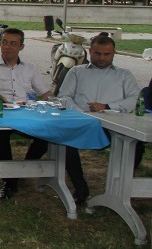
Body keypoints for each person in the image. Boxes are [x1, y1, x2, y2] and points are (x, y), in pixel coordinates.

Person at [59, 34, 141, 205]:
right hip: (82, 122)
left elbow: (134, 99)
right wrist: (80, 112)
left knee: (137, 145)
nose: (102, 58)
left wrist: (107, 106)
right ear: (90, 52)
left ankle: (119, 185)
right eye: (98, 53)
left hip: (115, 124)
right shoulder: (76, 71)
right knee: (64, 143)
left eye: (107, 54)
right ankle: (80, 187)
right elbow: (64, 96)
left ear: (114, 53)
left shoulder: (124, 75)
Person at [0, 28, 54, 199]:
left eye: (13, 43)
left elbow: (45, 92)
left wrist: (55, 101)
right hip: (2, 113)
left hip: (27, 113)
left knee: (48, 133)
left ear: (21, 47)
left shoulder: (31, 68)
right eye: (4, 42)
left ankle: (23, 168)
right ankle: (9, 181)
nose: (8, 47)